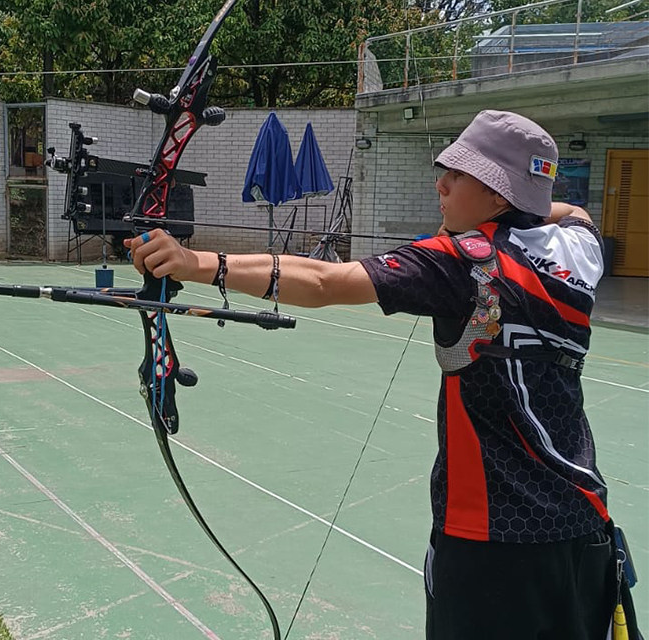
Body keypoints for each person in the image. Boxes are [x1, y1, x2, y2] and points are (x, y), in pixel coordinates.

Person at [125, 109, 623, 639]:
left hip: (492, 542)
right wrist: (503, 211)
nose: (443, 184)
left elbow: (323, 282)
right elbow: (567, 211)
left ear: (500, 195)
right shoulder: (580, 248)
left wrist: (196, 263)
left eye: (460, 175)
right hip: (584, 526)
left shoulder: (461, 263)